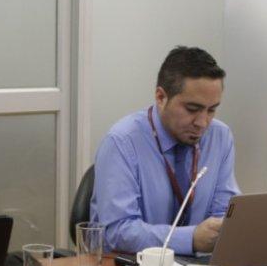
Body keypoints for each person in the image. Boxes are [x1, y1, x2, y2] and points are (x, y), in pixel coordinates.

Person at [91, 46, 240, 255]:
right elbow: (117, 232)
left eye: (212, 109)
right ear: (161, 97)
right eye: (192, 109)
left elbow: (226, 212)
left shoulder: (220, 137)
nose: (202, 122)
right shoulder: (122, 142)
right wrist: (191, 239)